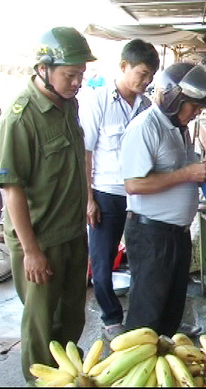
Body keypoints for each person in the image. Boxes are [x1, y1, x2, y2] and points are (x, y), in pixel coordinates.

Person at [0, 27, 96, 383]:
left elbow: (76, 163)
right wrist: (31, 251)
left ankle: (66, 376)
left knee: (71, 316)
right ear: (44, 68)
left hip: (71, 232)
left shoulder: (69, 106)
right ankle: (39, 380)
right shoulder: (20, 119)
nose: (77, 82)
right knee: (41, 325)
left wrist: (87, 201)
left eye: (81, 74)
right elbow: (12, 191)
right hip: (40, 240)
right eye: (70, 75)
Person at [120, 62, 206, 337]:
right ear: (173, 97)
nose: (196, 113)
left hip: (176, 234)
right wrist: (187, 173)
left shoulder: (179, 129)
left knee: (170, 311)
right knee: (146, 317)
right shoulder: (145, 127)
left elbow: (183, 171)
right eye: (193, 107)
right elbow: (134, 184)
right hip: (151, 235)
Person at [78, 39, 160, 341]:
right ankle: (111, 316)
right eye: (142, 72)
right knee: (102, 262)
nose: (146, 80)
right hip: (105, 195)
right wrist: (88, 199)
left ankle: (141, 318)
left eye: (151, 74)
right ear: (123, 66)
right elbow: (85, 153)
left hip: (140, 196)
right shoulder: (96, 101)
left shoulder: (147, 106)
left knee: (142, 260)